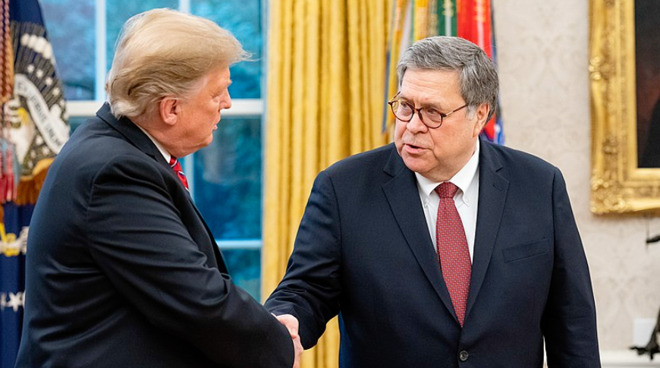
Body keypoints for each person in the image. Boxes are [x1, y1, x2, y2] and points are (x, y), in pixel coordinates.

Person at [266, 36, 600, 367]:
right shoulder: (343, 188)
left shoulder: (539, 184)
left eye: (432, 113)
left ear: (479, 115)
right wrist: (286, 322)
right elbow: (305, 289)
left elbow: (572, 320)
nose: (412, 126)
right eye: (405, 107)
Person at [15, 8, 299, 368]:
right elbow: (195, 298)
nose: (227, 104)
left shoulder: (114, 148)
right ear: (170, 109)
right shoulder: (115, 172)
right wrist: (277, 341)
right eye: (217, 94)